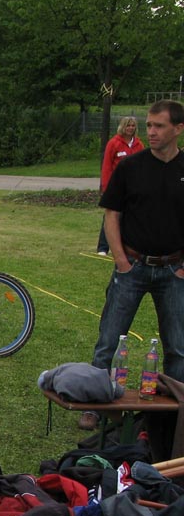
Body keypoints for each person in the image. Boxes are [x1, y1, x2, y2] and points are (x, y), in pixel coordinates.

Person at [87, 100, 184, 410]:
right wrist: (121, 261)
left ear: (178, 129)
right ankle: (95, 406)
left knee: (178, 347)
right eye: (149, 125)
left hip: (174, 270)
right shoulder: (131, 167)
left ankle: (174, 413)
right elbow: (111, 214)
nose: (151, 132)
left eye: (159, 126)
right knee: (109, 340)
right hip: (133, 266)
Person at [96, 116, 144, 255]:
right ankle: (103, 247)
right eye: (128, 125)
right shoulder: (114, 143)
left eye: (133, 126)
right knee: (111, 215)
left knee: (130, 217)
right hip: (116, 186)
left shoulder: (139, 145)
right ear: (123, 127)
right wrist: (106, 187)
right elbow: (107, 166)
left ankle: (127, 246)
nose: (130, 128)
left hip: (133, 187)